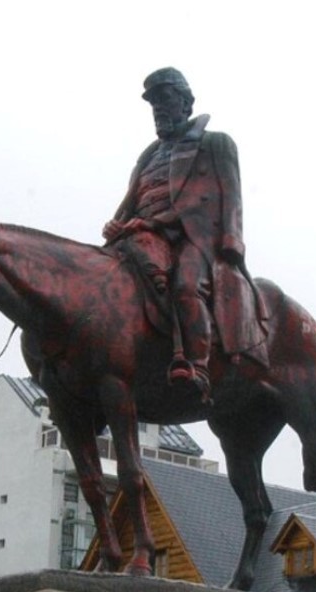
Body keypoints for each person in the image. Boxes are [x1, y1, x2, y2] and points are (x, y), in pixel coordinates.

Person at [103, 67, 264, 400]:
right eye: (154, 103)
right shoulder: (148, 155)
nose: (159, 108)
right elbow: (133, 197)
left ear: (186, 103)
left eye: (166, 99)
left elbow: (228, 197)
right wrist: (118, 223)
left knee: (186, 286)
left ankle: (197, 365)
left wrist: (231, 242)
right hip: (139, 235)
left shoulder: (215, 143)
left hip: (192, 236)